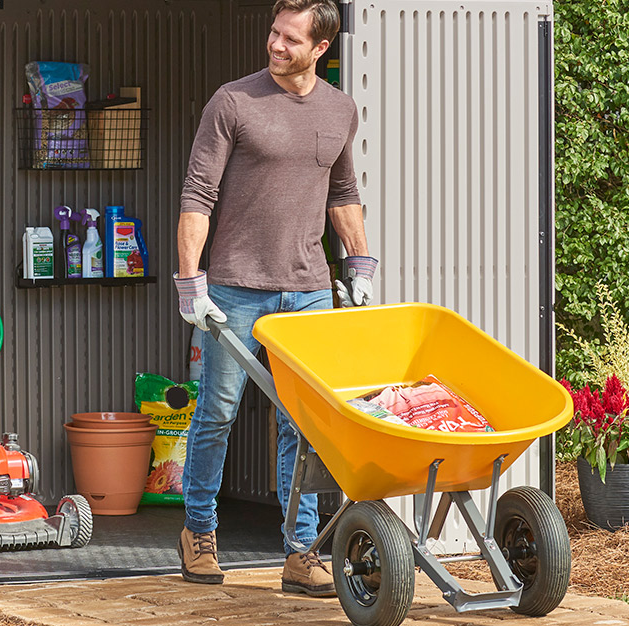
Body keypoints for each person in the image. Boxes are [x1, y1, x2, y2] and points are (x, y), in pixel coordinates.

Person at [173, 0, 377, 598]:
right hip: (235, 286)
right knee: (217, 414)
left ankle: (302, 550)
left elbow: (343, 191)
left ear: (321, 49)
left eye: (290, 38)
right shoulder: (232, 102)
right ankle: (199, 533)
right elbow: (197, 194)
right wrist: (193, 284)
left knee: (305, 424)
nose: (275, 45)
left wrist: (358, 265)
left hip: (310, 287)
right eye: (274, 33)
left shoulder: (340, 109)